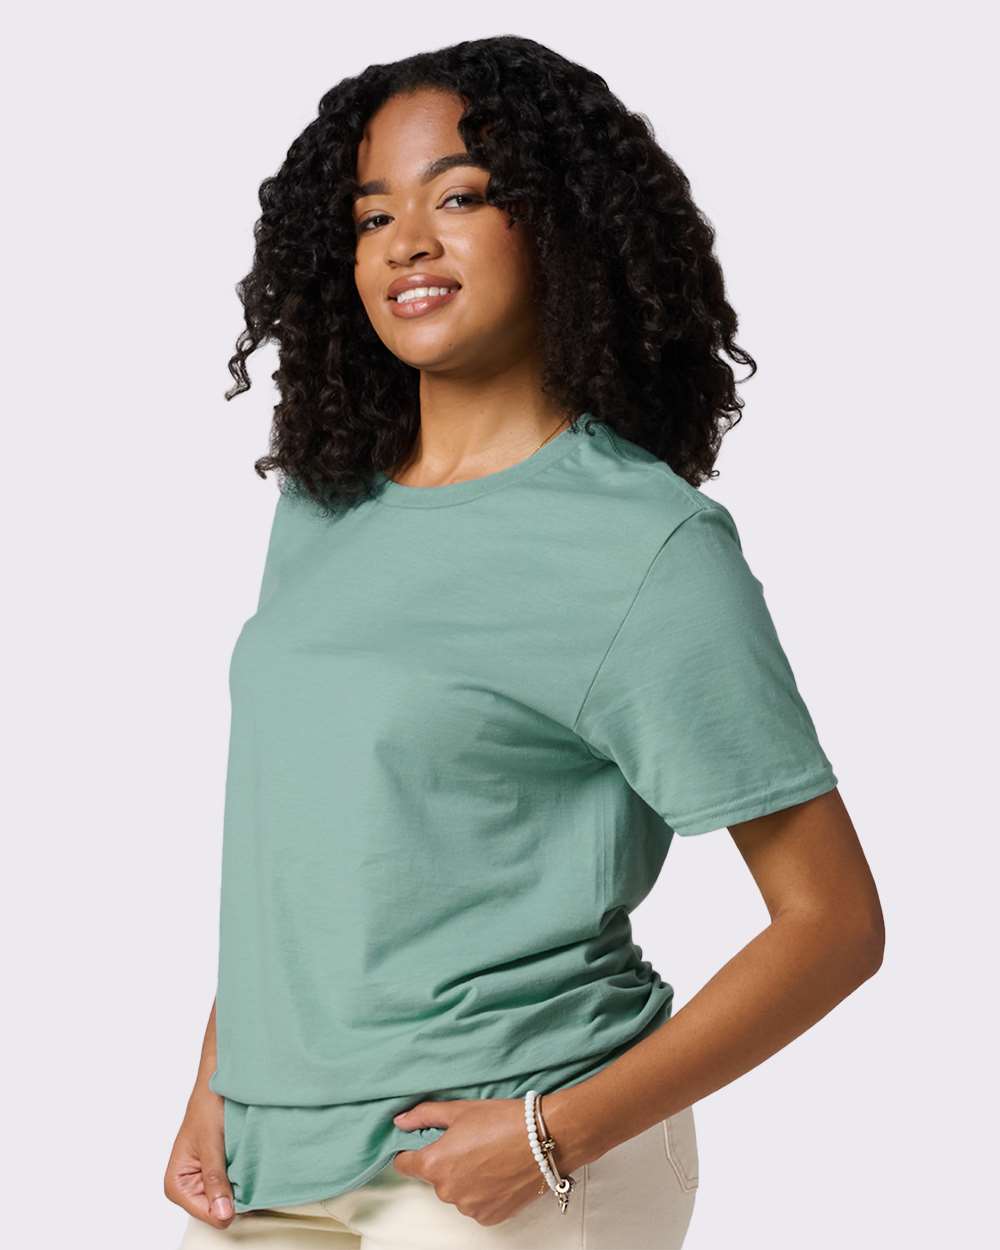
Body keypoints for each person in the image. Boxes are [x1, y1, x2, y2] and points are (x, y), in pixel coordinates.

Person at [164, 34, 884, 1250]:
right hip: (276, 1152)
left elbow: (832, 922)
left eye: (458, 197)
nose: (406, 242)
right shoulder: (324, 510)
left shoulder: (643, 543)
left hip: (505, 1156)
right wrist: (218, 1074)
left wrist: (555, 1131)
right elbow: (312, 844)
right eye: (372, 215)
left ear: (557, 223)